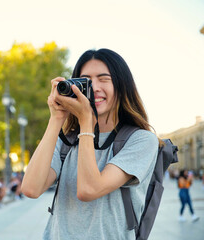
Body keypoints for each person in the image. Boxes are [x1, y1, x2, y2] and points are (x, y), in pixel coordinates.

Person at [21, 48, 159, 239]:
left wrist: (87, 121)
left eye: (104, 79)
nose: (94, 88)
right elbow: (30, 188)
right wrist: (56, 118)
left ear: (121, 86)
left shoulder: (141, 140)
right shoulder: (67, 141)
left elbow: (88, 190)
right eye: (86, 81)